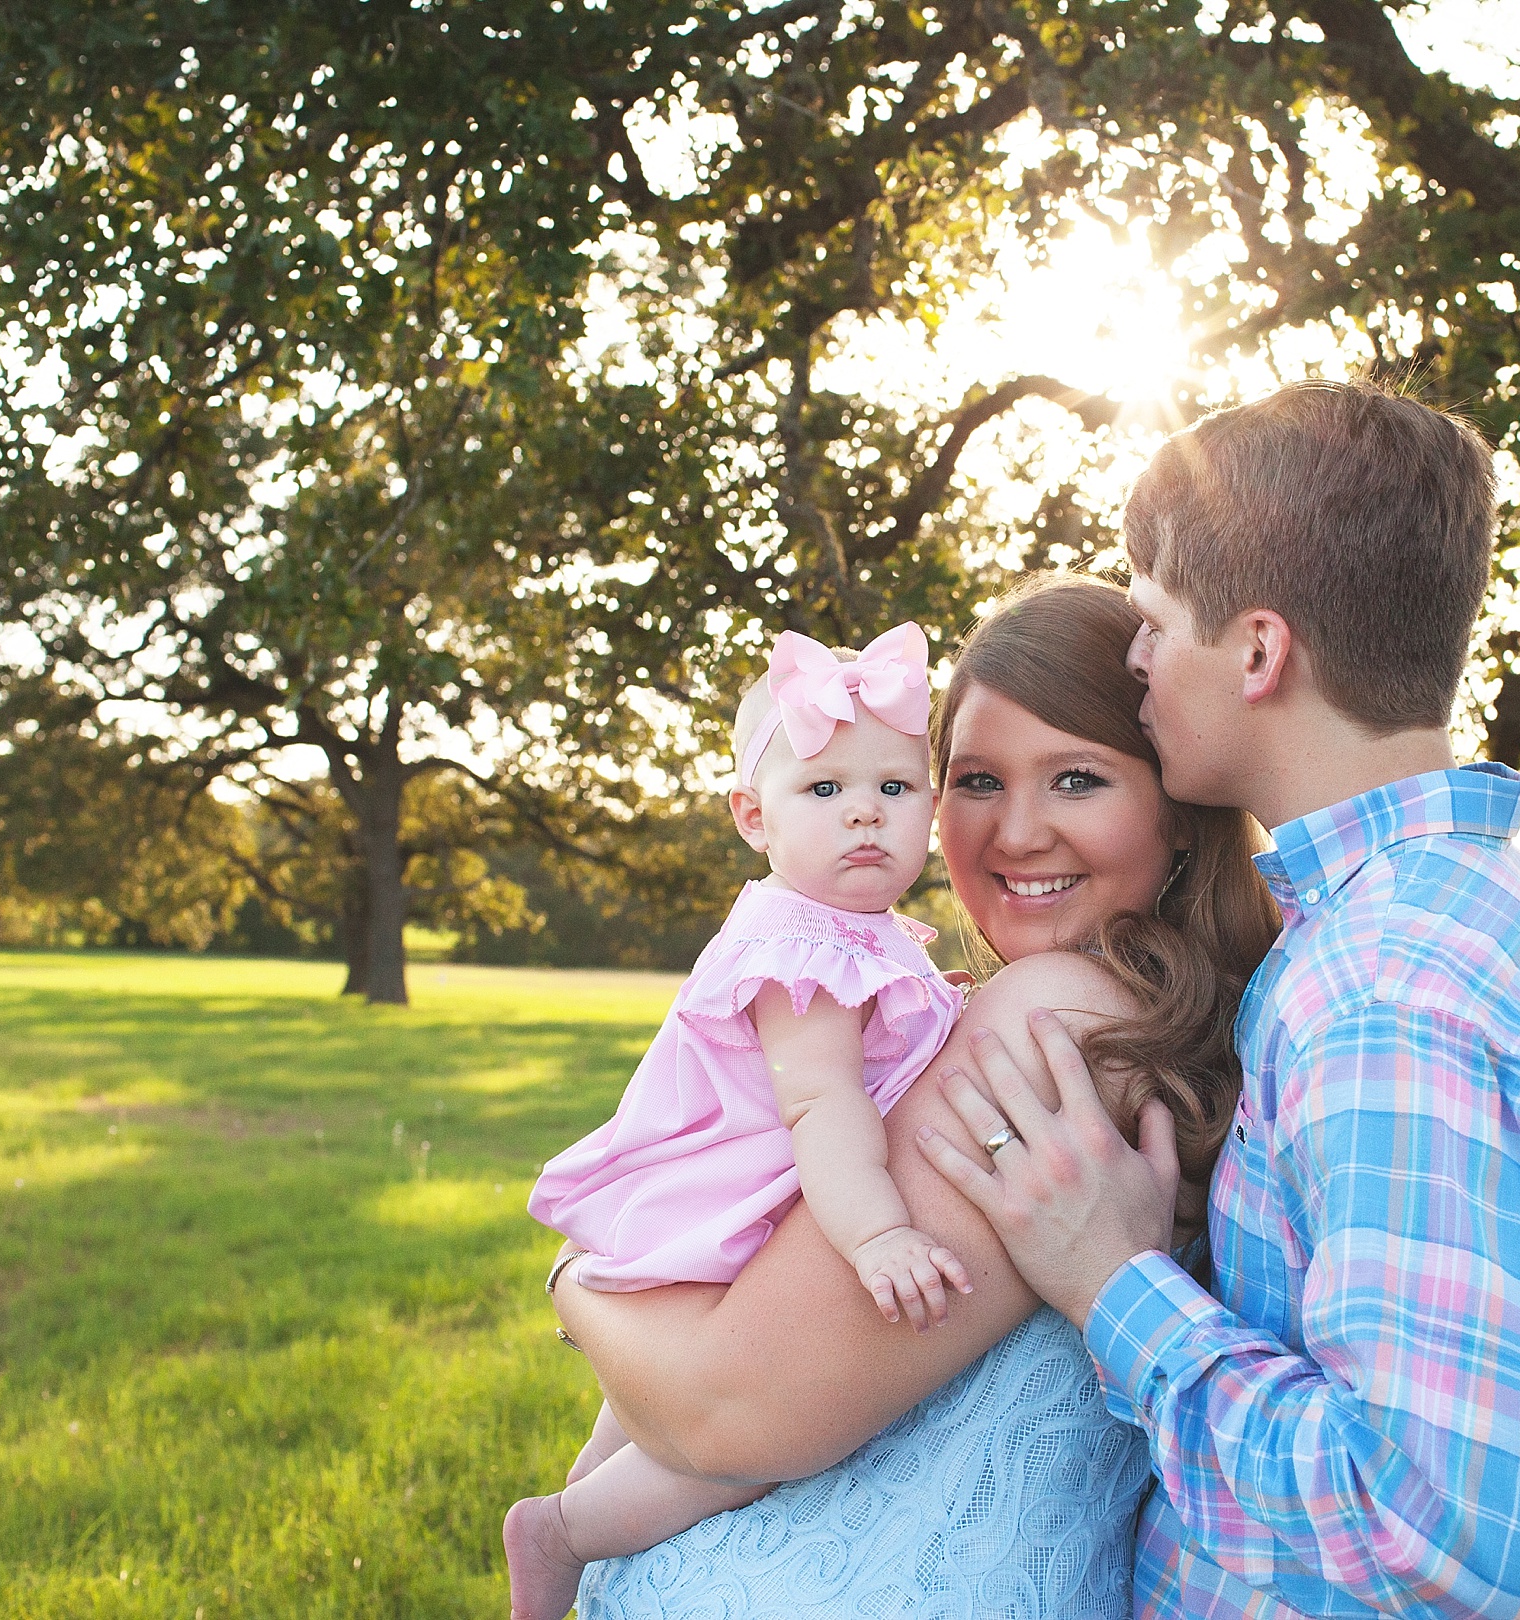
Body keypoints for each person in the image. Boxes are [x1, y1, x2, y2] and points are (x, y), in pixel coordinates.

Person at [916, 380, 1520, 1617]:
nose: (1136, 660)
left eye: (1156, 624)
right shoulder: (1463, 896)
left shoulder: (1380, 991)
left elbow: (1438, 1545)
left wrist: (1111, 1280)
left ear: (1260, 652)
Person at [548, 576, 1280, 1618]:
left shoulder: (1060, 1017)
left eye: (1077, 779)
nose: (1016, 832)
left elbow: (734, 1410)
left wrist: (577, 1283)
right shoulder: (1151, 1005)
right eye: (976, 781)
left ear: (1176, 809)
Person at [504, 622, 976, 1620]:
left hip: (715, 1200)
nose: (865, 818)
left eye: (894, 791)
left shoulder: (846, 931)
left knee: (646, 1416)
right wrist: (881, 1232)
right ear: (752, 817)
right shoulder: (804, 949)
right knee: (739, 1450)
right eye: (824, 791)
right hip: (739, 1202)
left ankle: (579, 1563)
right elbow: (822, 1101)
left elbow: (878, 1045)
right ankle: (564, 1534)